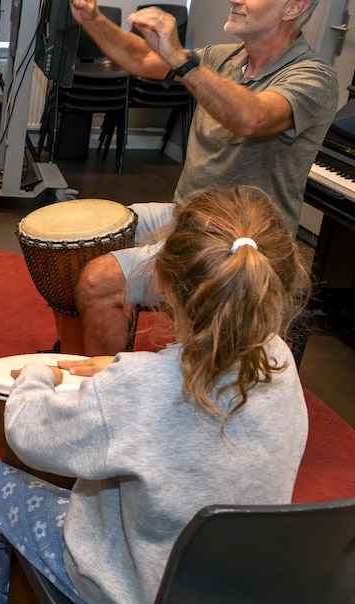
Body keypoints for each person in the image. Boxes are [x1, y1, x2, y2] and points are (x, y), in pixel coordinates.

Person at [0, 186, 312, 604]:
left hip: (138, 600)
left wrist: (38, 374)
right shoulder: (280, 361)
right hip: (237, 590)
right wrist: (131, 369)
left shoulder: (135, 386)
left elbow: (27, 433)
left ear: (164, 281)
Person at [68, 0, 338, 355]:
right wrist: (94, 18)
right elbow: (140, 58)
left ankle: (108, 393)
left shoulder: (313, 77)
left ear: (292, 8)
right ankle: (114, 361)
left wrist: (181, 59)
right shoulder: (224, 58)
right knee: (90, 232)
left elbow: (250, 118)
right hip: (186, 214)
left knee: (98, 281)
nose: (235, 0)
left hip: (238, 240)